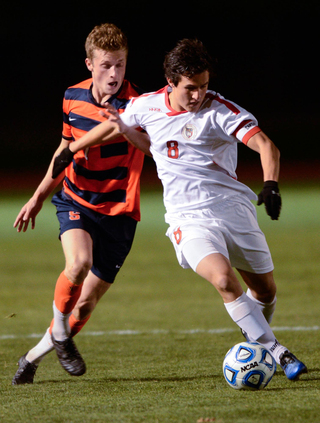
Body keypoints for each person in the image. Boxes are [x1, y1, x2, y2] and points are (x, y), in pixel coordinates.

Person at [53, 39, 307, 381]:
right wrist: (74, 148)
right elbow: (114, 126)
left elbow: (266, 146)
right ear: (170, 83)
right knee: (222, 279)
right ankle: (276, 351)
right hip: (188, 219)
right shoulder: (148, 105)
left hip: (233, 210)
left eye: (203, 86)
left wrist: (271, 183)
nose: (198, 95)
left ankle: (257, 341)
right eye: (190, 88)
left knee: (265, 292)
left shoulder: (221, 111)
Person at [12, 23, 150, 385]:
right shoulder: (72, 96)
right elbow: (63, 149)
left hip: (120, 214)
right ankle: (59, 331)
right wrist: (39, 196)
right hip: (76, 199)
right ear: (89, 64)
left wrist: (127, 128)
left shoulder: (137, 105)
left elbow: (150, 148)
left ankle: (30, 358)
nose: (114, 74)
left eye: (120, 64)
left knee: (85, 304)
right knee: (79, 262)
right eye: (106, 65)